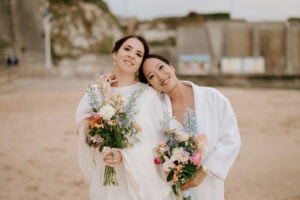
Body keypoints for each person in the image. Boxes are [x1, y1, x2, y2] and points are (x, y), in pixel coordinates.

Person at [75, 36, 172, 199]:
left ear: (141, 63)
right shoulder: (96, 91)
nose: (132, 55)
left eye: (139, 54)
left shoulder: (149, 95)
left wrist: (126, 154)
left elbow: (157, 138)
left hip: (138, 178)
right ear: (115, 54)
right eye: (127, 49)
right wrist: (102, 142)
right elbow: (83, 128)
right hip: (105, 172)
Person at [139, 54, 241, 200]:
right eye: (152, 76)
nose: (160, 76)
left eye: (161, 67)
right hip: (176, 189)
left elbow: (231, 139)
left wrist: (204, 172)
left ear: (171, 66)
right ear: (151, 85)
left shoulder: (213, 97)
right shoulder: (157, 110)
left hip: (209, 183)